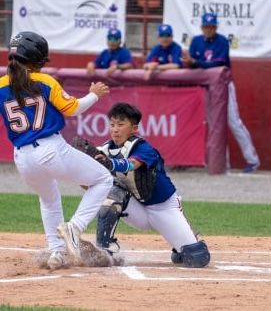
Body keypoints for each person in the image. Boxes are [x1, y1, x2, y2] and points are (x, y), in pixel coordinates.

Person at [0, 31, 113, 270]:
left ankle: (57, 252)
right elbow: (71, 108)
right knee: (103, 179)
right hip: (50, 149)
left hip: (22, 157)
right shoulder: (45, 81)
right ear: (35, 59)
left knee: (49, 199)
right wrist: (94, 95)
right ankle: (75, 227)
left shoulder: (0, 85)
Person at [94, 103, 210, 268]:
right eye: (112, 125)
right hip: (136, 208)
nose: (115, 129)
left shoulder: (143, 148)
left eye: (121, 124)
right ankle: (105, 250)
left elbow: (132, 164)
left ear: (134, 128)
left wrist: (110, 163)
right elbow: (91, 184)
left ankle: (187, 239)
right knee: (110, 190)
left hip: (163, 208)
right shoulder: (105, 149)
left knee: (197, 257)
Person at [182, 12, 260, 173]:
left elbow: (218, 64)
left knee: (234, 123)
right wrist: (193, 63)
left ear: (215, 27)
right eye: (206, 26)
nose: (209, 29)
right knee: (214, 126)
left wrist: (197, 63)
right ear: (202, 27)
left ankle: (252, 160)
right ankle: (222, 163)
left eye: (211, 26)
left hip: (224, 86)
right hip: (206, 87)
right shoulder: (196, 41)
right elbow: (193, 65)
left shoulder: (222, 41)